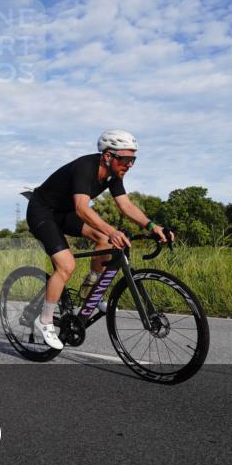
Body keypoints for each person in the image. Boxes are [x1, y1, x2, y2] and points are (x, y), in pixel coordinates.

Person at [24, 130, 172, 350]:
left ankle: (91, 292)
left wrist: (152, 226)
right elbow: (82, 208)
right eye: (125, 158)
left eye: (133, 159)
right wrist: (112, 230)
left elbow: (126, 206)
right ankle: (44, 321)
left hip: (64, 213)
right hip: (42, 212)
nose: (129, 164)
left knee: (105, 240)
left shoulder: (114, 175)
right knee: (66, 265)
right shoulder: (86, 167)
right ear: (107, 156)